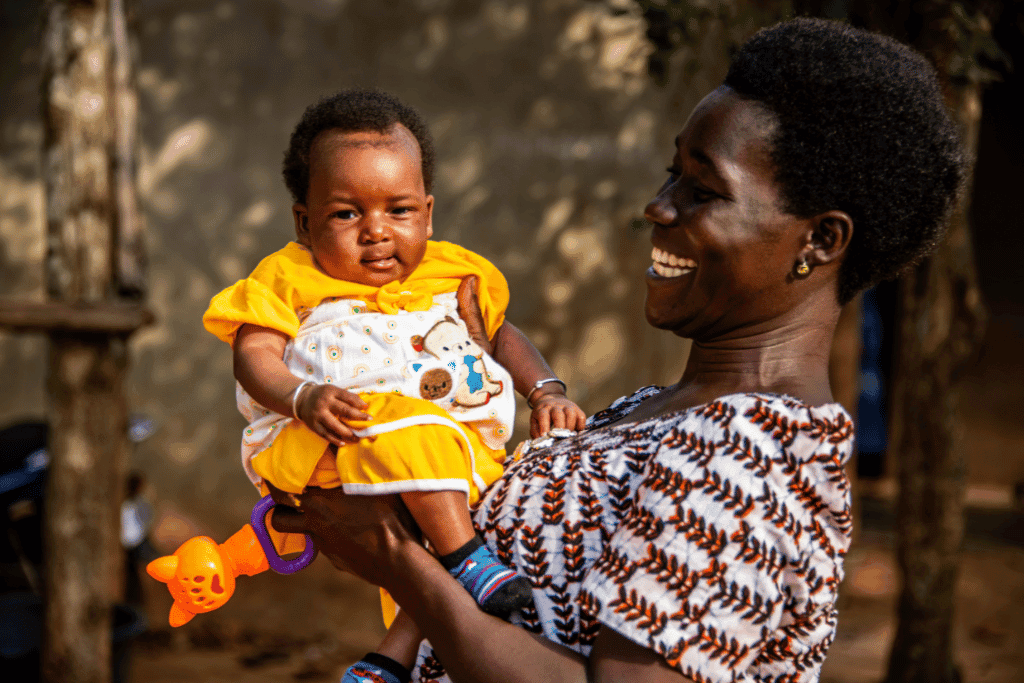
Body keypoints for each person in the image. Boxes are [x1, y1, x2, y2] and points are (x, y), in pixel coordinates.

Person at [266, 18, 967, 683]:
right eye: (671, 175)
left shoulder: (749, 450)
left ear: (820, 240)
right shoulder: (655, 413)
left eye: (703, 189)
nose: (658, 207)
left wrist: (396, 561)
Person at [148, 89, 587, 676]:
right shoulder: (287, 277)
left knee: (475, 510)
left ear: (428, 213)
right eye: (347, 213)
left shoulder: (457, 271)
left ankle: (390, 660)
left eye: (399, 211)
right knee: (443, 513)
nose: (376, 232)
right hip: (332, 435)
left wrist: (546, 391)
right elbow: (254, 353)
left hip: (448, 452)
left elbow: (505, 336)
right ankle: (469, 560)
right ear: (305, 222)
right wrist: (300, 397)